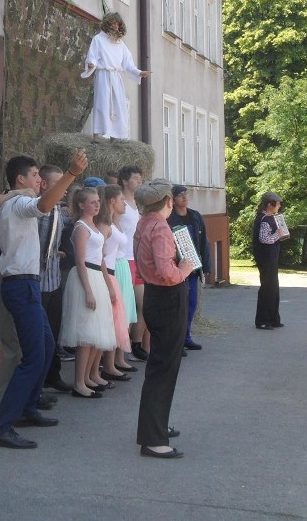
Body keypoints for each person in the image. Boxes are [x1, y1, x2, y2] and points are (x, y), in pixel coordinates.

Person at [0, 151, 88, 449]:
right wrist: (71, 172)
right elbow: (44, 204)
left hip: (25, 283)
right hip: (21, 285)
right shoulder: (18, 203)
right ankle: (3, 426)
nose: (39, 180)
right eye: (34, 176)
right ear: (21, 179)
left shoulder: (10, 203)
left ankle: (27, 409)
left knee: (43, 347)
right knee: (32, 357)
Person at [133, 179, 194, 459]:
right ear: (168, 201)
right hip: (167, 296)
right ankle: (153, 439)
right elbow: (167, 271)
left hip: (156, 296)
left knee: (162, 365)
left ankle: (156, 427)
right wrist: (184, 268)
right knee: (163, 368)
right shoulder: (159, 226)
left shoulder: (144, 222)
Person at [60, 186, 118, 397]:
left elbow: (100, 259)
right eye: (92, 202)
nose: (96, 205)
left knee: (97, 331)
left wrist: (109, 287)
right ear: (81, 204)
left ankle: (88, 377)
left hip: (97, 277)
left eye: (97, 202)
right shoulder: (81, 227)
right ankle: (79, 382)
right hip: (86, 278)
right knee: (86, 332)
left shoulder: (93, 226)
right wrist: (89, 291)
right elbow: (80, 260)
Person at [81, 12, 149, 143]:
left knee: (118, 106)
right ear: (108, 24)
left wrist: (139, 72)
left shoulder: (121, 44)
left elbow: (128, 64)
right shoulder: (98, 39)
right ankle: (96, 137)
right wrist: (91, 65)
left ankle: (115, 137)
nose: (116, 27)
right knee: (102, 105)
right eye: (114, 24)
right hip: (103, 76)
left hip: (116, 78)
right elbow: (93, 56)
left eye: (118, 24)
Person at [95, 184, 134, 380]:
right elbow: (99, 255)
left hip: (120, 268)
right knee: (113, 319)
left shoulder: (114, 222)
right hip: (111, 271)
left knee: (120, 318)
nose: (124, 203)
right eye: (121, 199)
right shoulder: (104, 225)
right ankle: (108, 364)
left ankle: (114, 361)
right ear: (111, 201)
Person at [37, 165, 71, 394]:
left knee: (54, 331)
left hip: (53, 278)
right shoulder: (36, 209)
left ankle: (52, 374)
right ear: (44, 184)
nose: (65, 187)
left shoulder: (59, 210)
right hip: (36, 281)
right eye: (60, 183)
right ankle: (36, 385)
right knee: (39, 336)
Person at [167, 185, 211, 350]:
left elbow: (203, 242)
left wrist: (205, 265)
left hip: (193, 268)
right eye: (180, 195)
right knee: (179, 305)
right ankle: (176, 342)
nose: (184, 197)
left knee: (191, 303)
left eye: (186, 194)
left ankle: (186, 336)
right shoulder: (169, 218)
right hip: (176, 268)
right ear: (173, 199)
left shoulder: (195, 216)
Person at [117, 165, 148, 363]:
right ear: (125, 181)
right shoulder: (121, 204)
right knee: (127, 306)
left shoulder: (138, 204)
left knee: (144, 304)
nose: (139, 182)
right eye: (136, 178)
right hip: (124, 258)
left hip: (137, 258)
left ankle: (136, 343)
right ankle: (123, 347)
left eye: (140, 179)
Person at [252, 192, 288, 330]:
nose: (279, 206)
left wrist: (282, 233)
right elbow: (264, 239)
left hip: (271, 257)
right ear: (269, 205)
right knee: (267, 288)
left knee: (273, 287)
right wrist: (278, 233)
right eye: (277, 203)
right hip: (265, 258)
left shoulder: (271, 218)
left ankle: (273, 319)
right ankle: (263, 320)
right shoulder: (264, 220)